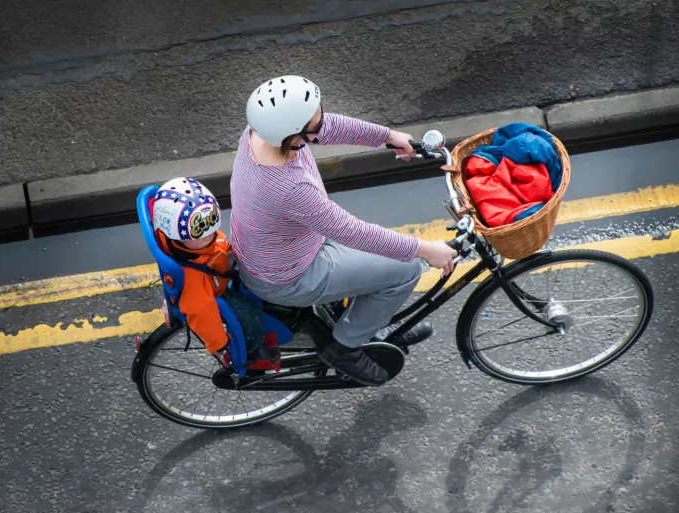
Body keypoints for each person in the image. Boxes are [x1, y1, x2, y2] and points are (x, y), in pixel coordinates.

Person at [229, 75, 457, 387]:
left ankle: (370, 323)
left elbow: (327, 127)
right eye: (313, 125)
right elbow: (353, 232)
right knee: (405, 269)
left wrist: (387, 136)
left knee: (382, 256)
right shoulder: (288, 187)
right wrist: (427, 250)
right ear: (294, 136)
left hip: (278, 249)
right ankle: (345, 347)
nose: (322, 124)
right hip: (290, 276)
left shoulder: (261, 133)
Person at [152, 176, 280, 371]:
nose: (209, 236)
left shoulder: (191, 243)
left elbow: (214, 244)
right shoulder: (193, 279)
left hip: (217, 273)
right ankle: (253, 353)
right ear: (173, 234)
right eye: (201, 234)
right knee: (248, 312)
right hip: (218, 289)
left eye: (212, 230)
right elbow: (202, 313)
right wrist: (219, 344)